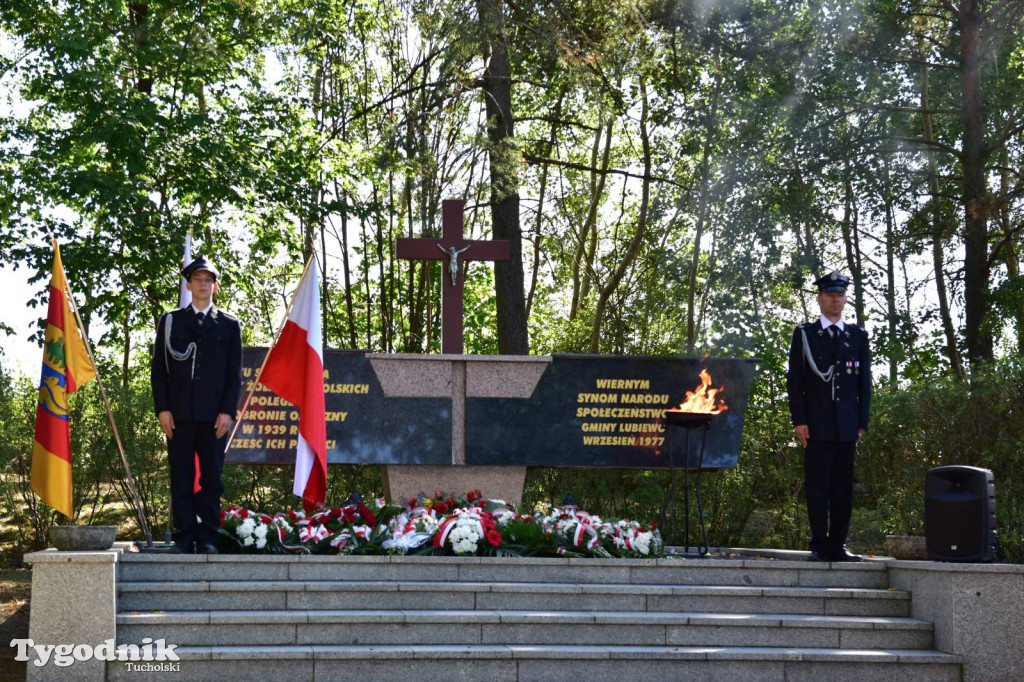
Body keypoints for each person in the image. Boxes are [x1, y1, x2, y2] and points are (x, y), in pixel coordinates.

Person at [151, 257, 242, 554]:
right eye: (198, 279)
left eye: (208, 280)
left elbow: (233, 374)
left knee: (212, 478)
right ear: (188, 285)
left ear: (214, 286)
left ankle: (208, 537)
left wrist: (228, 411)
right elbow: (159, 370)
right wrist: (162, 409)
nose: (203, 284)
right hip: (178, 415)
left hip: (215, 416)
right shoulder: (171, 321)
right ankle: (185, 536)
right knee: (182, 476)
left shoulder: (229, 324)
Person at [786, 272, 871, 562]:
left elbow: (864, 384)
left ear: (846, 298)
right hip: (816, 424)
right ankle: (819, 544)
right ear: (820, 298)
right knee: (818, 487)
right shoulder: (806, 335)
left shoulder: (857, 336)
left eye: (840, 294)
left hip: (846, 425)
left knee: (843, 489)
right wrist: (799, 420)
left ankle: (838, 545)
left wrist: (862, 422)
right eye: (830, 295)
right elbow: (795, 381)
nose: (836, 299)